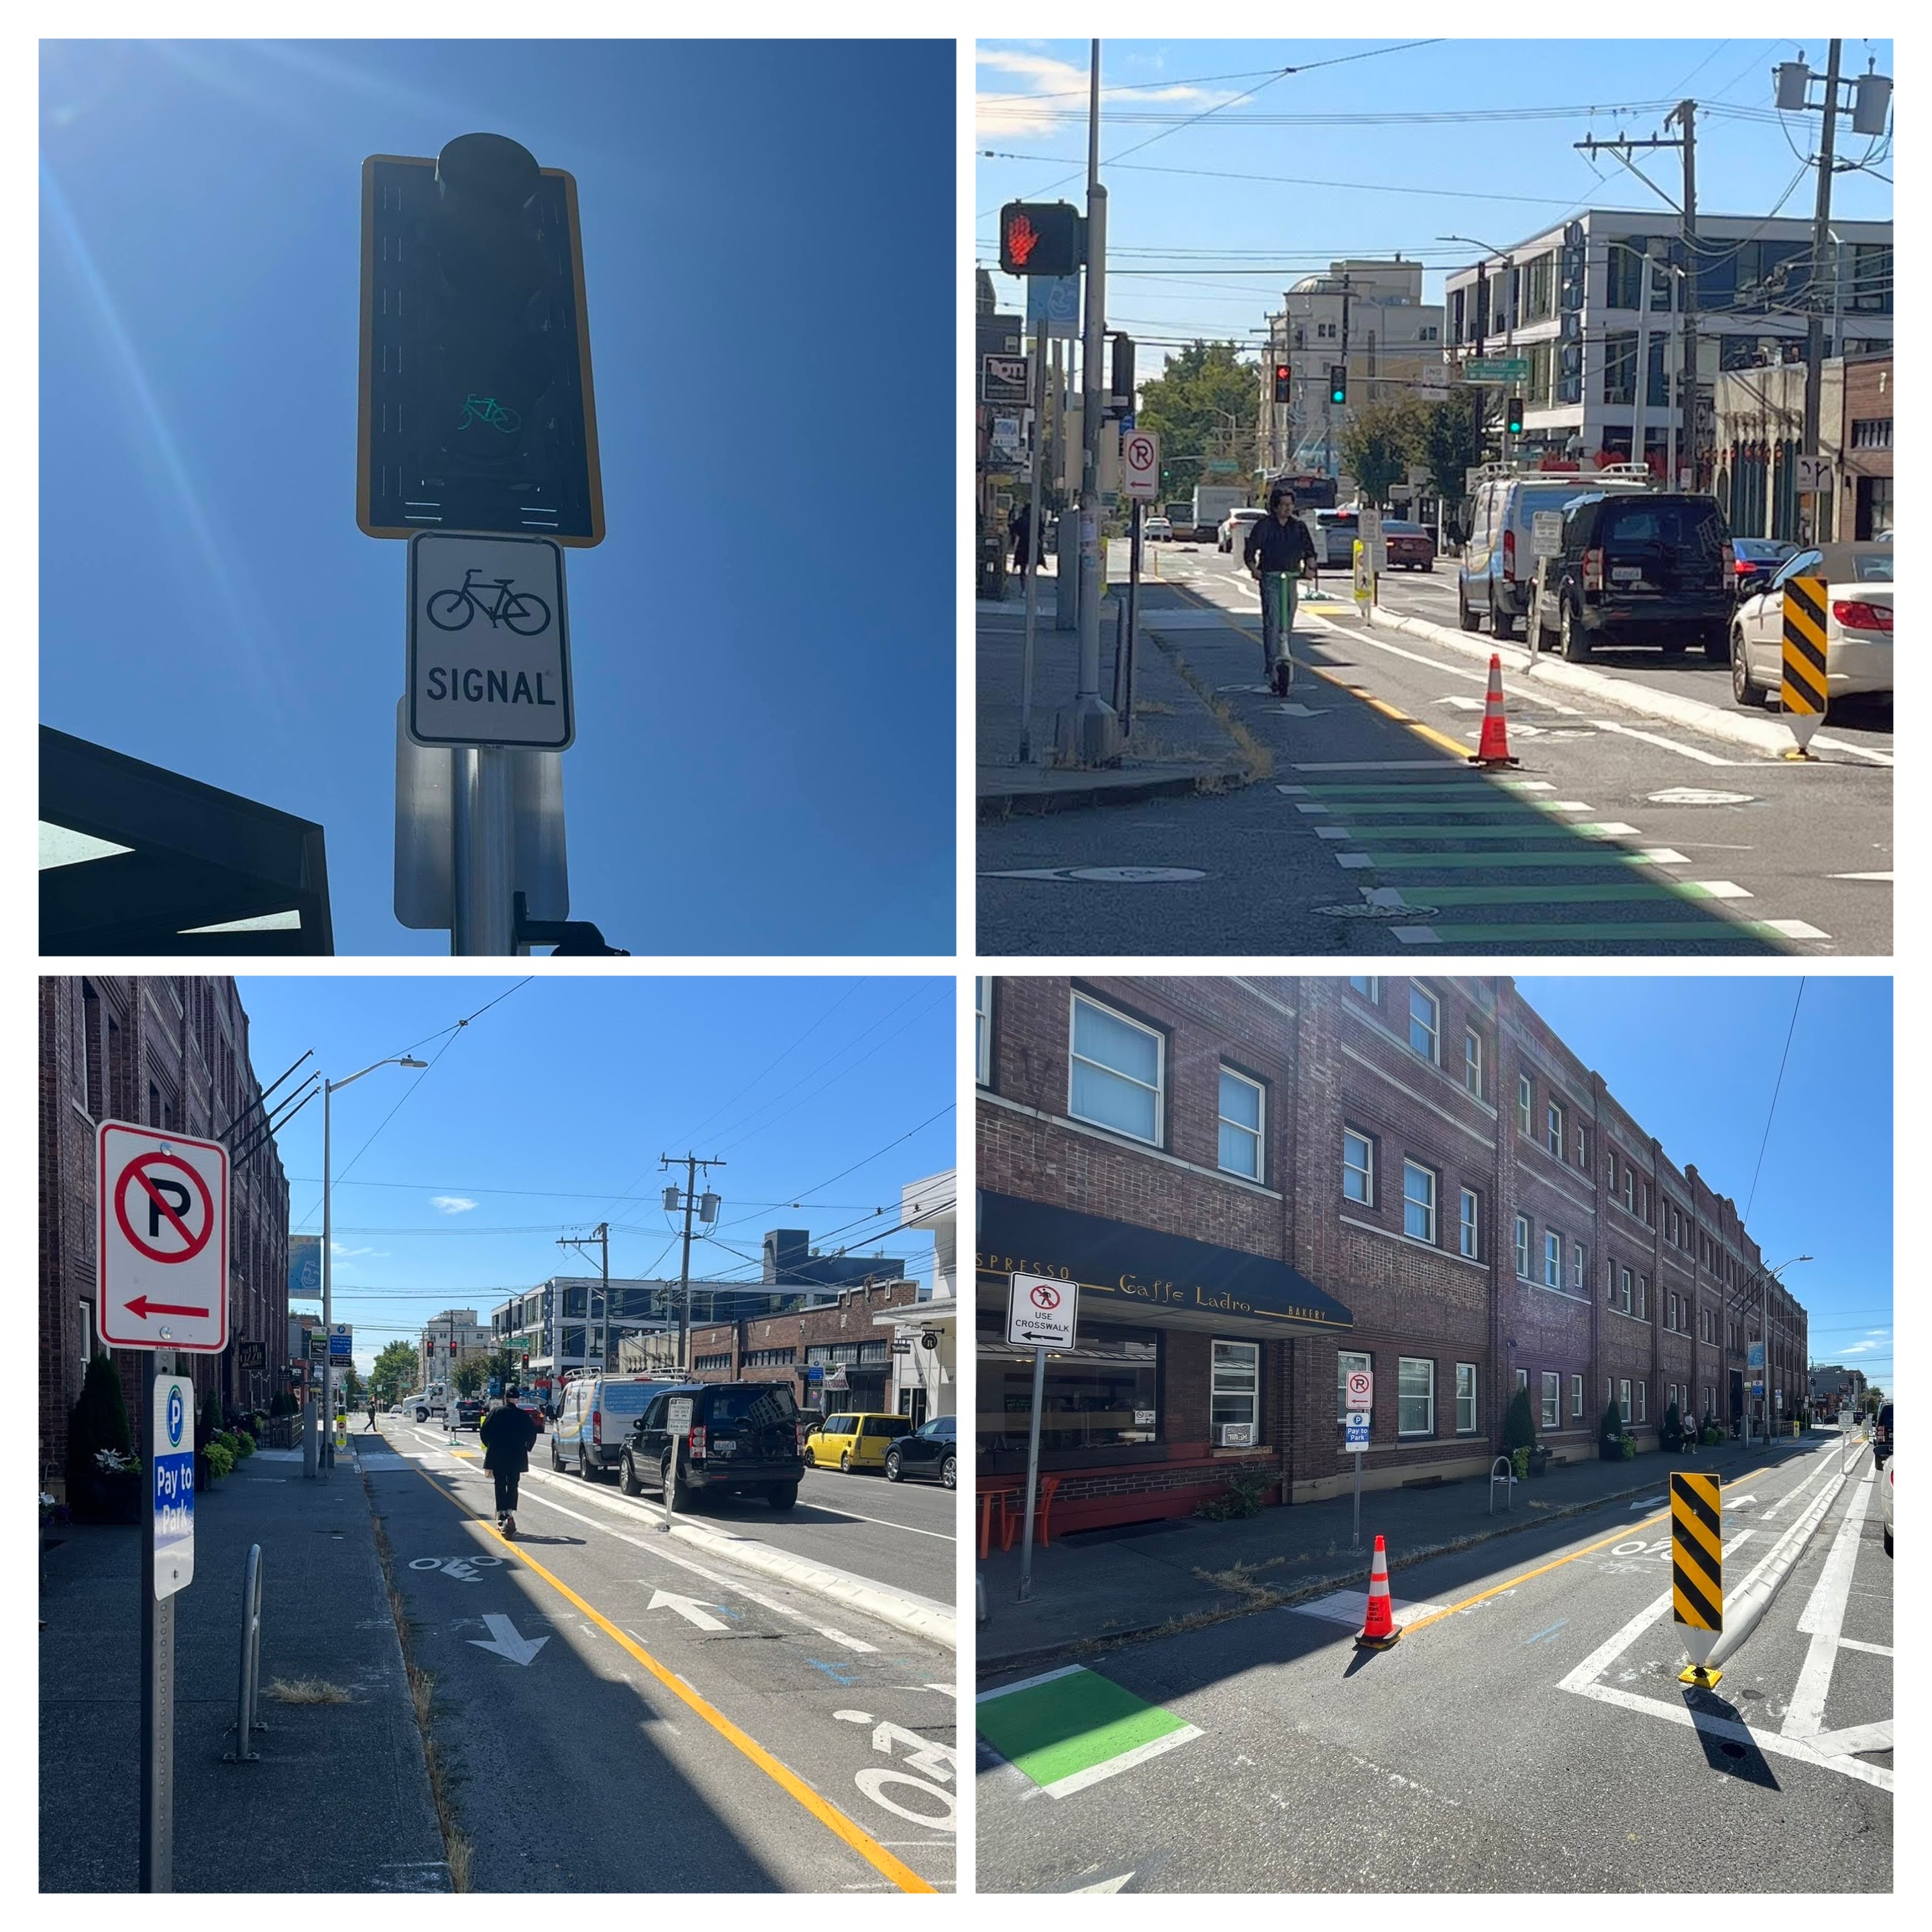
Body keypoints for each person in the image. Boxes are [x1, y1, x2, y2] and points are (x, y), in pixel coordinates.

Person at [1242, 483, 1321, 695]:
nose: (1287, 508)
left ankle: (1282, 653)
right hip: (1270, 578)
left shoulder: (1299, 527)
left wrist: (1311, 568)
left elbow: (1310, 551)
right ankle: (1271, 669)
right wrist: (1254, 569)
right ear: (1275, 506)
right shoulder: (1264, 526)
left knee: (1287, 621)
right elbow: (1250, 550)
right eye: (1283, 505)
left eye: (1290, 504)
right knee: (1273, 621)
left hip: (1292, 578)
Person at [479, 1383, 539, 1538]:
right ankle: (510, 1512)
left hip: (498, 1455)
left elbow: (484, 1431)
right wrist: (527, 1447)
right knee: (513, 1484)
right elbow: (532, 1434)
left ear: (505, 1398)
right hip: (516, 1456)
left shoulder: (496, 1412)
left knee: (499, 1483)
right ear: (517, 1400)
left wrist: (490, 1446)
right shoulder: (523, 1416)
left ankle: (501, 1513)